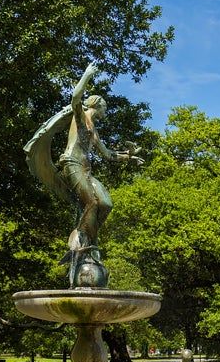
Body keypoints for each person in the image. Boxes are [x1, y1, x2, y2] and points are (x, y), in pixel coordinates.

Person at [23, 62, 141, 288]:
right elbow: (75, 97)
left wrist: (129, 157)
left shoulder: (93, 129)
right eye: (105, 108)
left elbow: (108, 155)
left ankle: (87, 239)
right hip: (72, 164)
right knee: (93, 202)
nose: (106, 112)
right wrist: (86, 75)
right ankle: (80, 234)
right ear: (98, 105)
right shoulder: (81, 115)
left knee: (105, 203)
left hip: (86, 170)